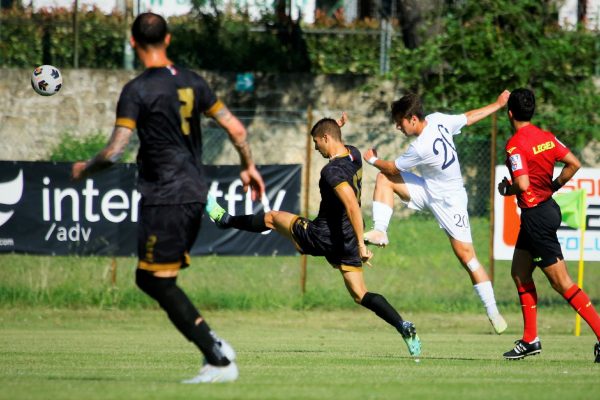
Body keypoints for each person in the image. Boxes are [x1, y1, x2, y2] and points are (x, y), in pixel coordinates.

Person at [71, 12, 266, 383]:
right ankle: (214, 347)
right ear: (169, 39)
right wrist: (248, 166)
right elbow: (236, 128)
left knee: (155, 280)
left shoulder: (137, 90)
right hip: (193, 193)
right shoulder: (194, 82)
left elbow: (114, 152)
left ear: (132, 42)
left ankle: (218, 358)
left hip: (166, 195)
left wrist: (84, 169)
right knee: (153, 279)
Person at [205, 117, 421, 357]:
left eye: (317, 142)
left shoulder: (331, 171)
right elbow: (340, 147)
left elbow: (352, 205)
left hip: (324, 235)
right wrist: (335, 125)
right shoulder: (355, 154)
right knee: (361, 295)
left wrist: (362, 244)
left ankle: (224, 219)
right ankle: (403, 326)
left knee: (271, 218)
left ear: (326, 138)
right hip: (346, 239)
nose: (316, 148)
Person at [361, 91, 510, 334]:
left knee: (467, 257)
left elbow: (390, 165)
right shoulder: (439, 119)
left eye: (399, 122)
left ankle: (493, 311)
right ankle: (380, 231)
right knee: (384, 180)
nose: (397, 127)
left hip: (450, 202)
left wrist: (373, 159)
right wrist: (497, 104)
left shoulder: (420, 147)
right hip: (428, 189)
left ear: (412, 118)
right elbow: (470, 117)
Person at [498, 88, 600, 362]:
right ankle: (530, 339)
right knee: (520, 273)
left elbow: (522, 184)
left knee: (562, 283)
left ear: (510, 113)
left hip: (535, 218)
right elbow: (573, 163)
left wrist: (508, 191)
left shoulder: (515, 144)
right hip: (546, 210)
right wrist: (553, 186)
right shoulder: (545, 137)